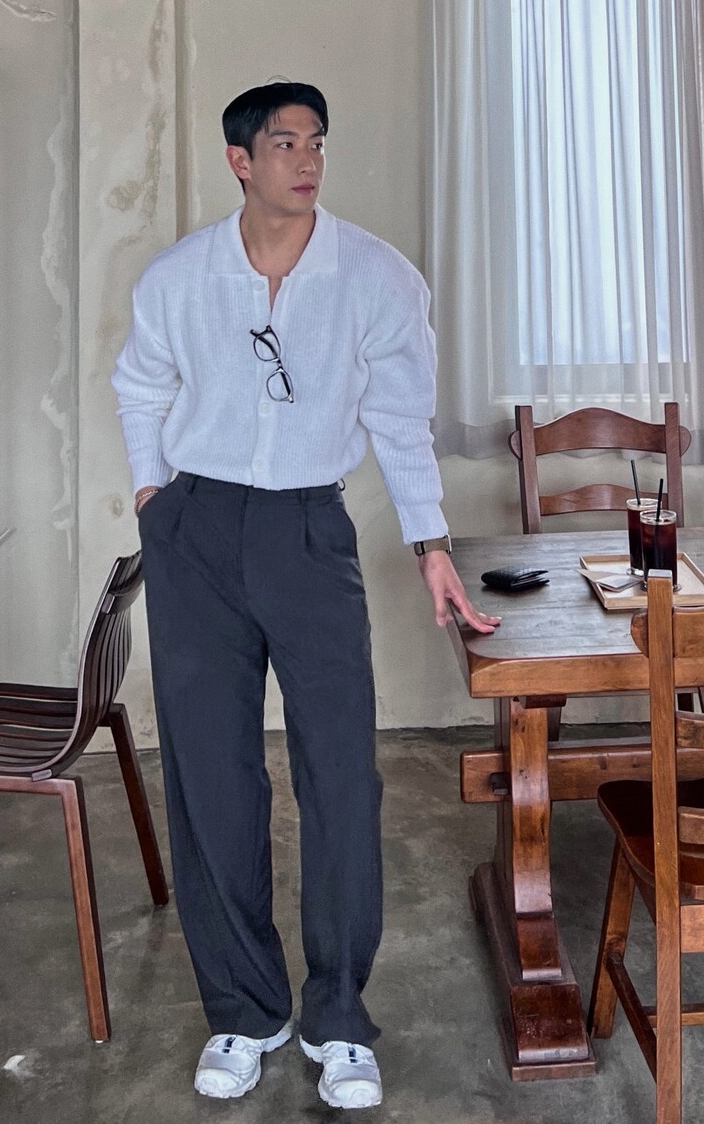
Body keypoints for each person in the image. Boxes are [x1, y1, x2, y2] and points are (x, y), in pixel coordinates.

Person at [112, 81, 500, 1110]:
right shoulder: (179, 277)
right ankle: (245, 1011)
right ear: (239, 161)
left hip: (308, 532)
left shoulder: (375, 275)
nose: (306, 159)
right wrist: (153, 494)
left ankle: (337, 1017)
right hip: (196, 532)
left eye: (316, 141)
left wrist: (430, 543)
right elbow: (141, 383)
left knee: (340, 775)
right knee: (211, 772)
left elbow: (402, 419)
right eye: (284, 143)